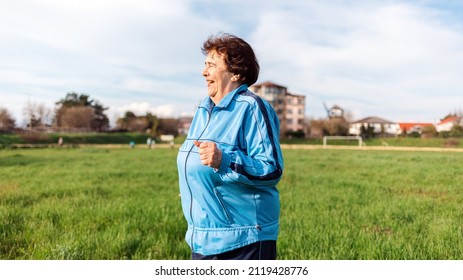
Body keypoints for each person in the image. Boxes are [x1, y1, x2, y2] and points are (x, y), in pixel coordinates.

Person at [177, 33, 284, 260]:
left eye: (212, 65)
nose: (204, 72)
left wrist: (223, 160)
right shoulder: (202, 110)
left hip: (244, 240)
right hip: (202, 238)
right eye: (205, 65)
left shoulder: (252, 107)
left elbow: (271, 169)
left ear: (236, 73)